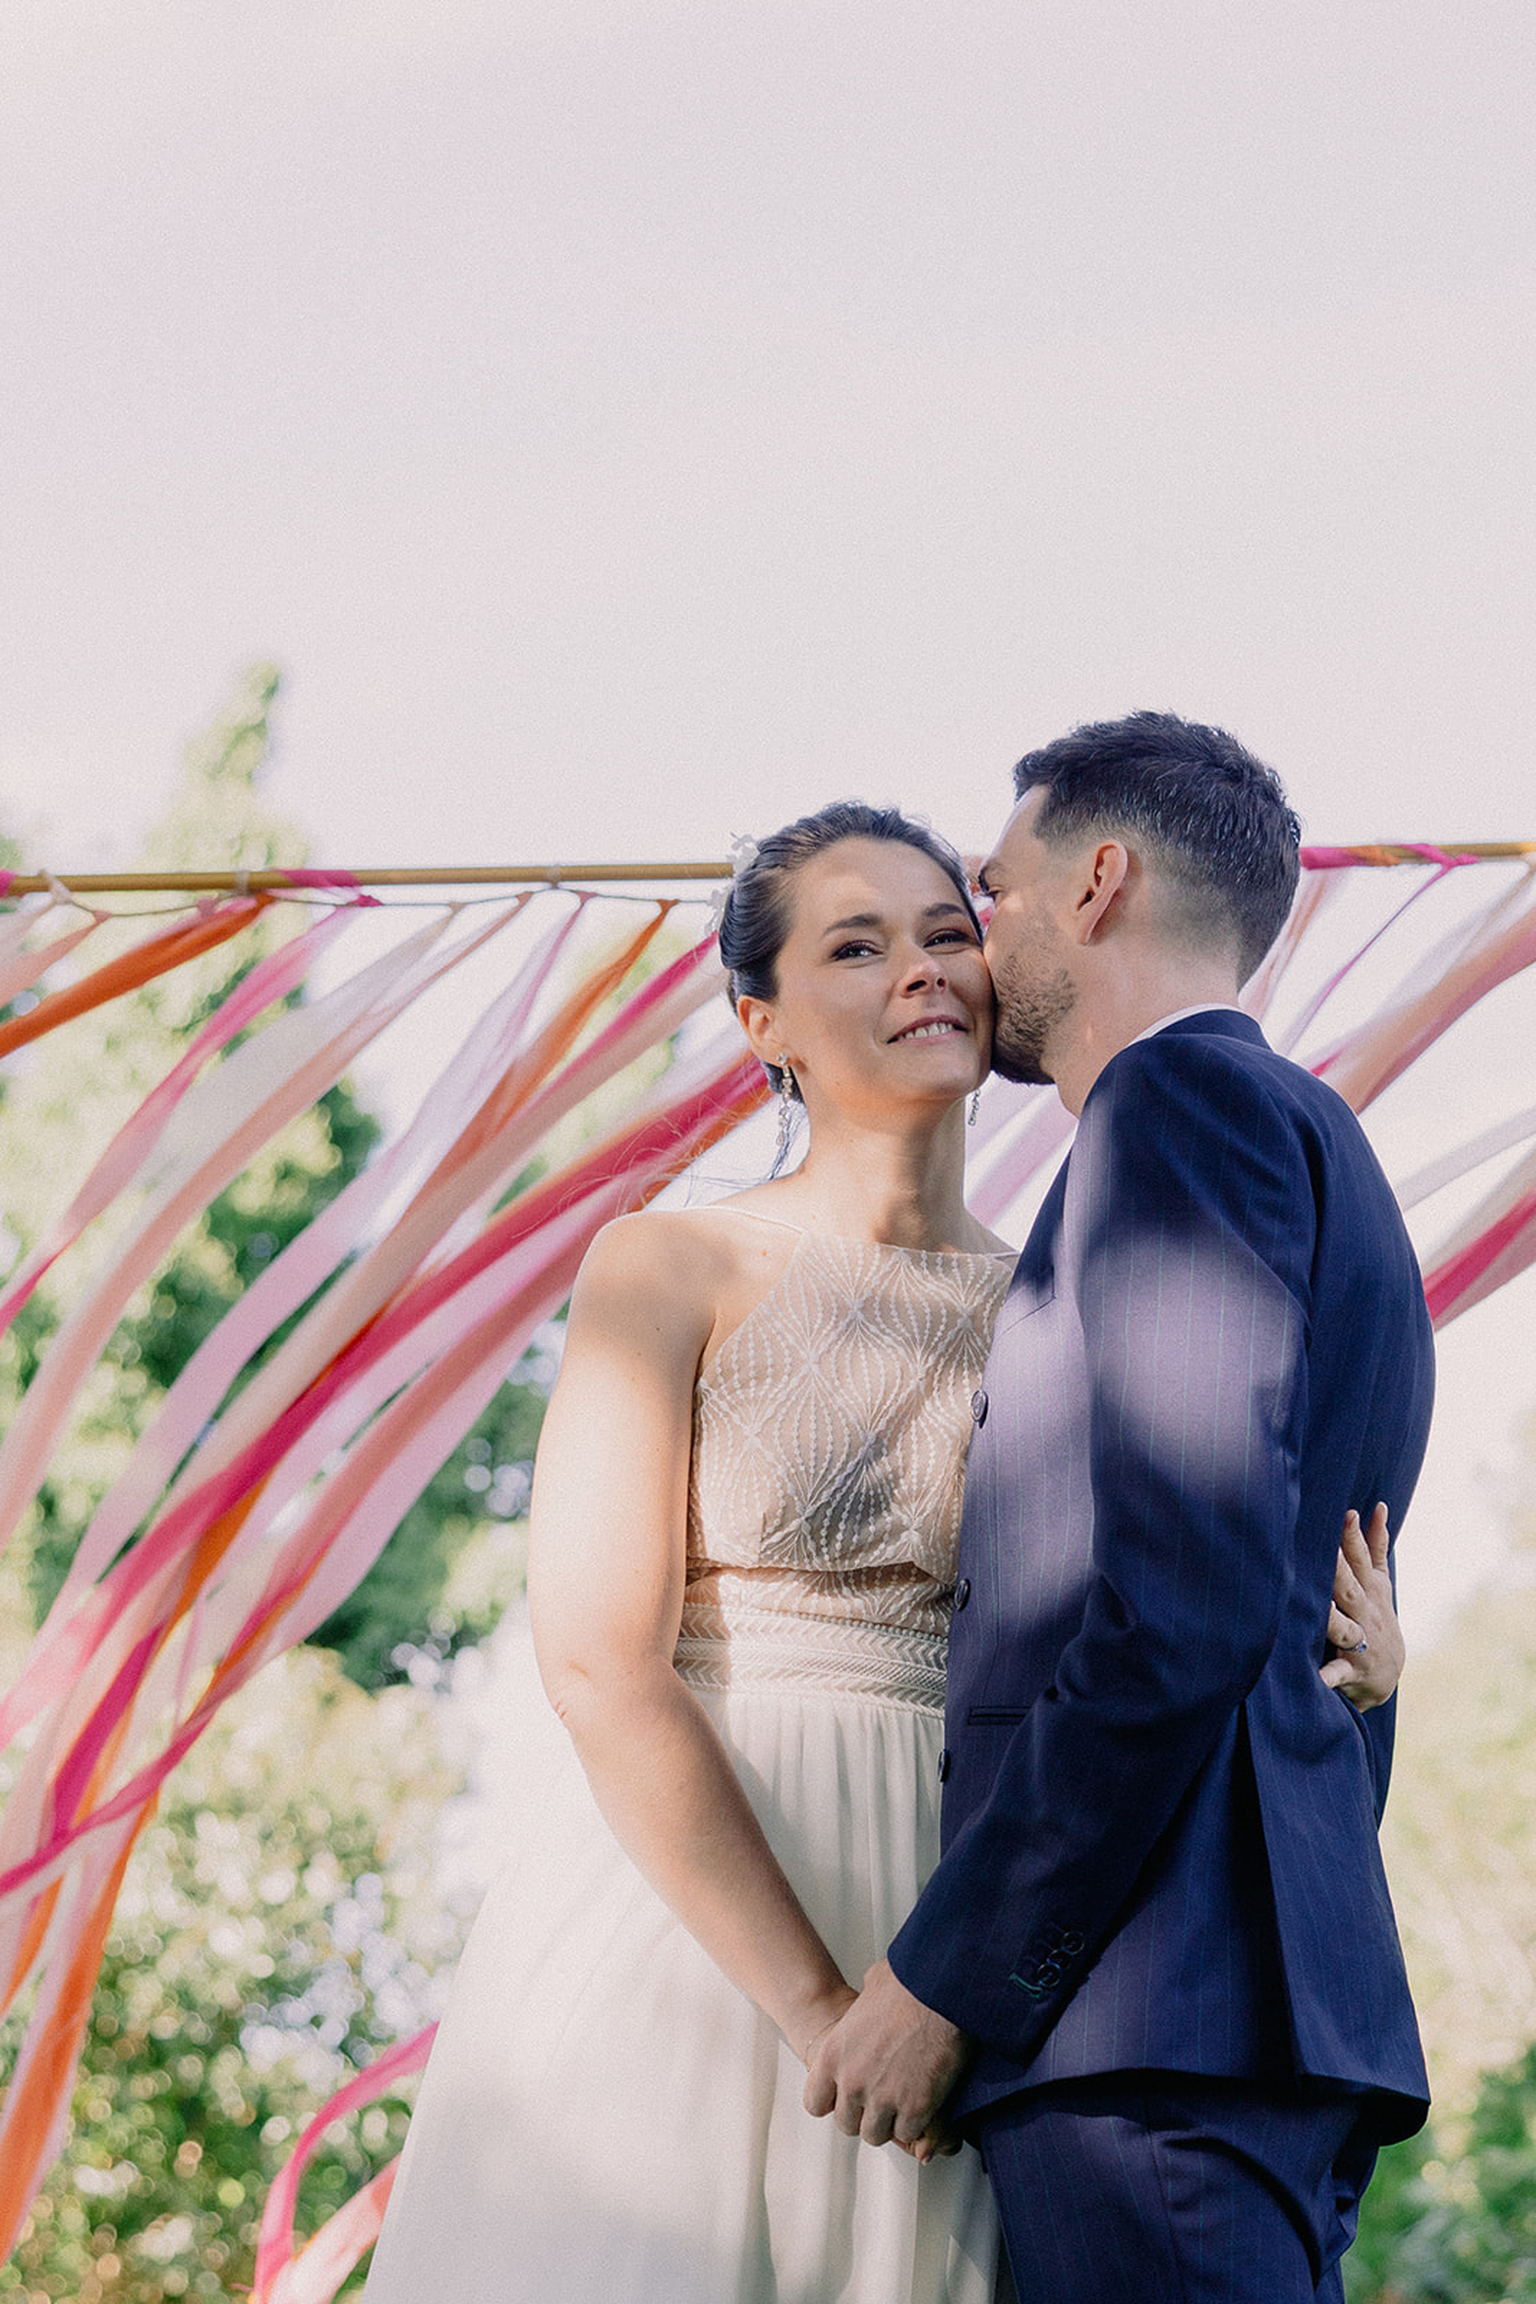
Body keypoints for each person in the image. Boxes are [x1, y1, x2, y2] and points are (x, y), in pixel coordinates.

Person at [363, 795, 1406, 2304]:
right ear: (759, 1022)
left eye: (945, 931)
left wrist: (1353, 1665)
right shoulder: (671, 1260)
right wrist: (819, 2011)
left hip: (999, 1910)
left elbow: (1194, 1573)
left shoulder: (1070, 1278)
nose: (922, 969)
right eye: (856, 946)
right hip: (714, 1915)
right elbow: (599, 1662)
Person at [804, 717, 1434, 2304]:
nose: (974, 933)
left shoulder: (1174, 1118)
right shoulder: (1320, 1144)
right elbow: (1305, 1613)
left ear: (1098, 882)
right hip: (1248, 2016)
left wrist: (956, 1979)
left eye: (991, 890)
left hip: (1146, 2031)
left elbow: (1187, 1604)